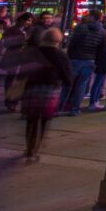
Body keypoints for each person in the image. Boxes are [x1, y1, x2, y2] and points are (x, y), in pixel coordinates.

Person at [22, 27, 73, 161]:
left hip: (32, 88)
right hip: (50, 90)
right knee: (44, 120)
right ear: (58, 40)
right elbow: (67, 76)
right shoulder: (60, 55)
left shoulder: (33, 52)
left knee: (31, 120)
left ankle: (29, 148)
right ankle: (36, 149)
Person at [61, 10, 106, 115]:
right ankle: (75, 109)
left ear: (92, 17)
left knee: (68, 84)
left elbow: (72, 43)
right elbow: (101, 49)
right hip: (90, 60)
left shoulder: (81, 27)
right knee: (81, 85)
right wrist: (96, 60)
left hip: (75, 58)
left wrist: (70, 56)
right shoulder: (102, 31)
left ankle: (61, 107)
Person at [87, 23, 106, 111]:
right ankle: (93, 102)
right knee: (98, 82)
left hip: (102, 62)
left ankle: (95, 101)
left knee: (100, 82)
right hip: (103, 62)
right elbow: (103, 52)